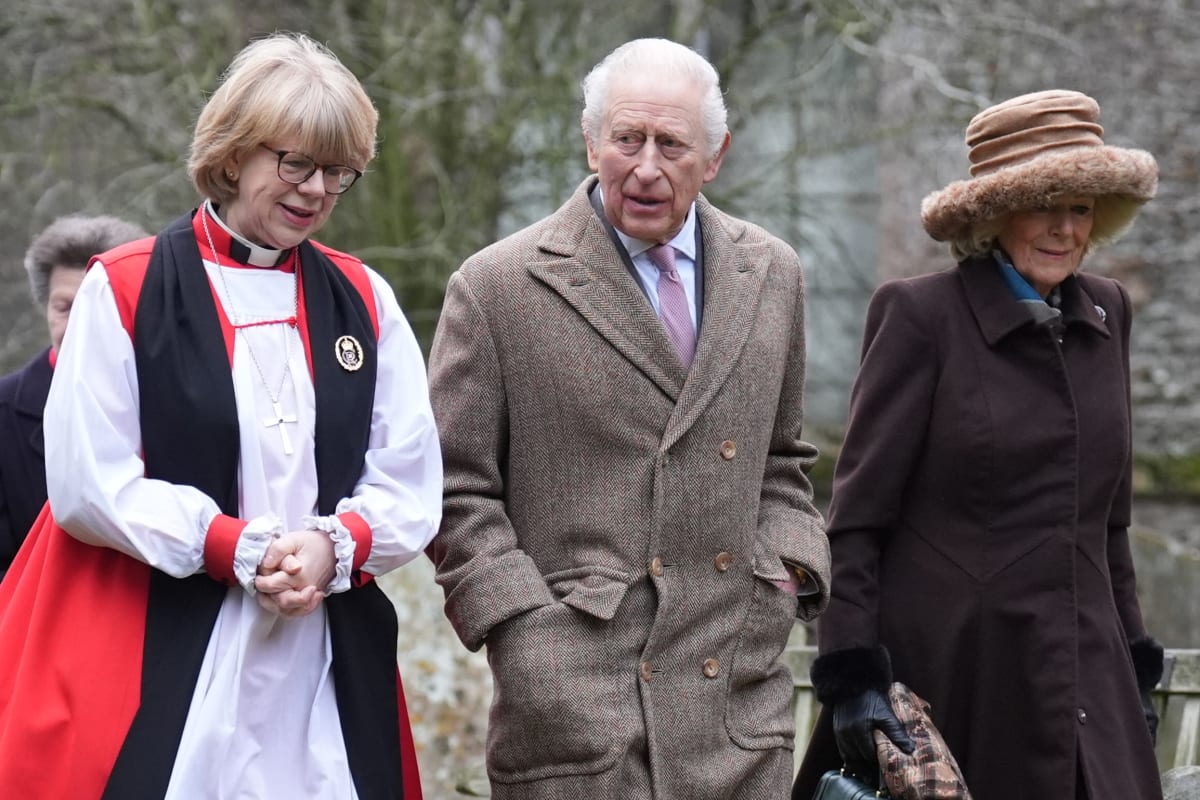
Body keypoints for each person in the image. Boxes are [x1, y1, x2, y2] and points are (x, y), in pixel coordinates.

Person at [0, 32, 442, 799]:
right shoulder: (126, 287)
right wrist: (231, 545)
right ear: (234, 153)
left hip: (322, 653)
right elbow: (85, 481)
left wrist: (331, 546)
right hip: (162, 640)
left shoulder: (364, 299)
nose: (316, 191)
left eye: (339, 172)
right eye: (295, 162)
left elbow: (409, 477)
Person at [427, 37, 830, 799]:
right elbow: (452, 488)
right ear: (590, 141)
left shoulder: (772, 272)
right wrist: (528, 640)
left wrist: (786, 574)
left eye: (672, 144)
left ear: (715, 157)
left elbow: (781, 458)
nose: (645, 167)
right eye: (626, 139)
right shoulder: (497, 286)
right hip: (575, 712)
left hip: (736, 701)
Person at [793, 90, 1163, 800]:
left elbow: (1109, 522)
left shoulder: (1108, 311)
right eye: (1042, 204)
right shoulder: (920, 316)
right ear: (992, 215)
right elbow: (858, 520)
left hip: (1091, 680)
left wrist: (1134, 661)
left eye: (1082, 208)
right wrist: (851, 677)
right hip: (960, 676)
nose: (1063, 228)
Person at [0, 214, 146, 580]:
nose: (80, 326)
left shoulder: (180, 405)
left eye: (98, 308)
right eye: (65, 307)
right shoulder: (5, 414)